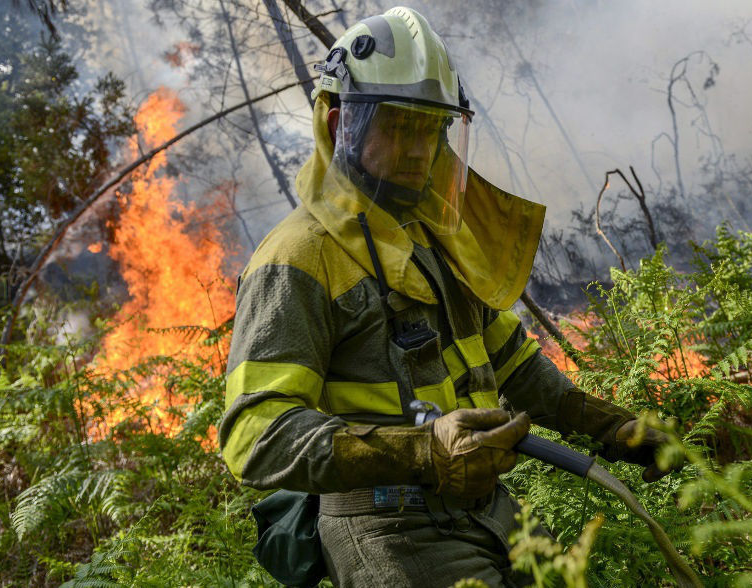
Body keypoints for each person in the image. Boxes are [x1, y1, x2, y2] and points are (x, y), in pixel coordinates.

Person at [218, 7, 665, 587]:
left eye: (429, 129)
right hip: (387, 530)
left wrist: (625, 432)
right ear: (338, 125)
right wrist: (422, 451)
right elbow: (257, 435)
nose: (416, 150)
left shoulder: (436, 239)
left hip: (491, 513)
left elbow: (521, 373)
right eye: (396, 126)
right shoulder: (298, 257)